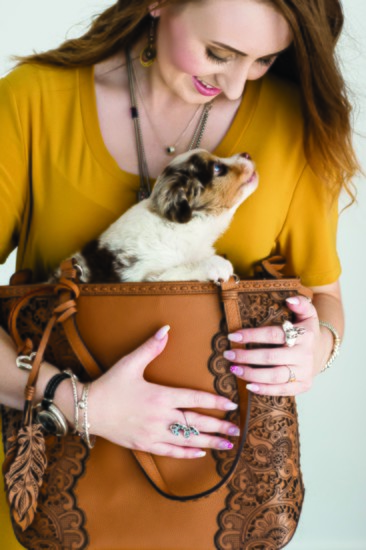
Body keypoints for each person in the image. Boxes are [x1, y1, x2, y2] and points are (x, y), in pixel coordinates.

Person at [0, 0, 359, 548]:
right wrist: (79, 403)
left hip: (222, 493)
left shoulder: (297, 121)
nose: (238, 86)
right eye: (220, 52)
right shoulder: (30, 101)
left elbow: (324, 298)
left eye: (265, 60)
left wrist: (314, 347)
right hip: (49, 479)